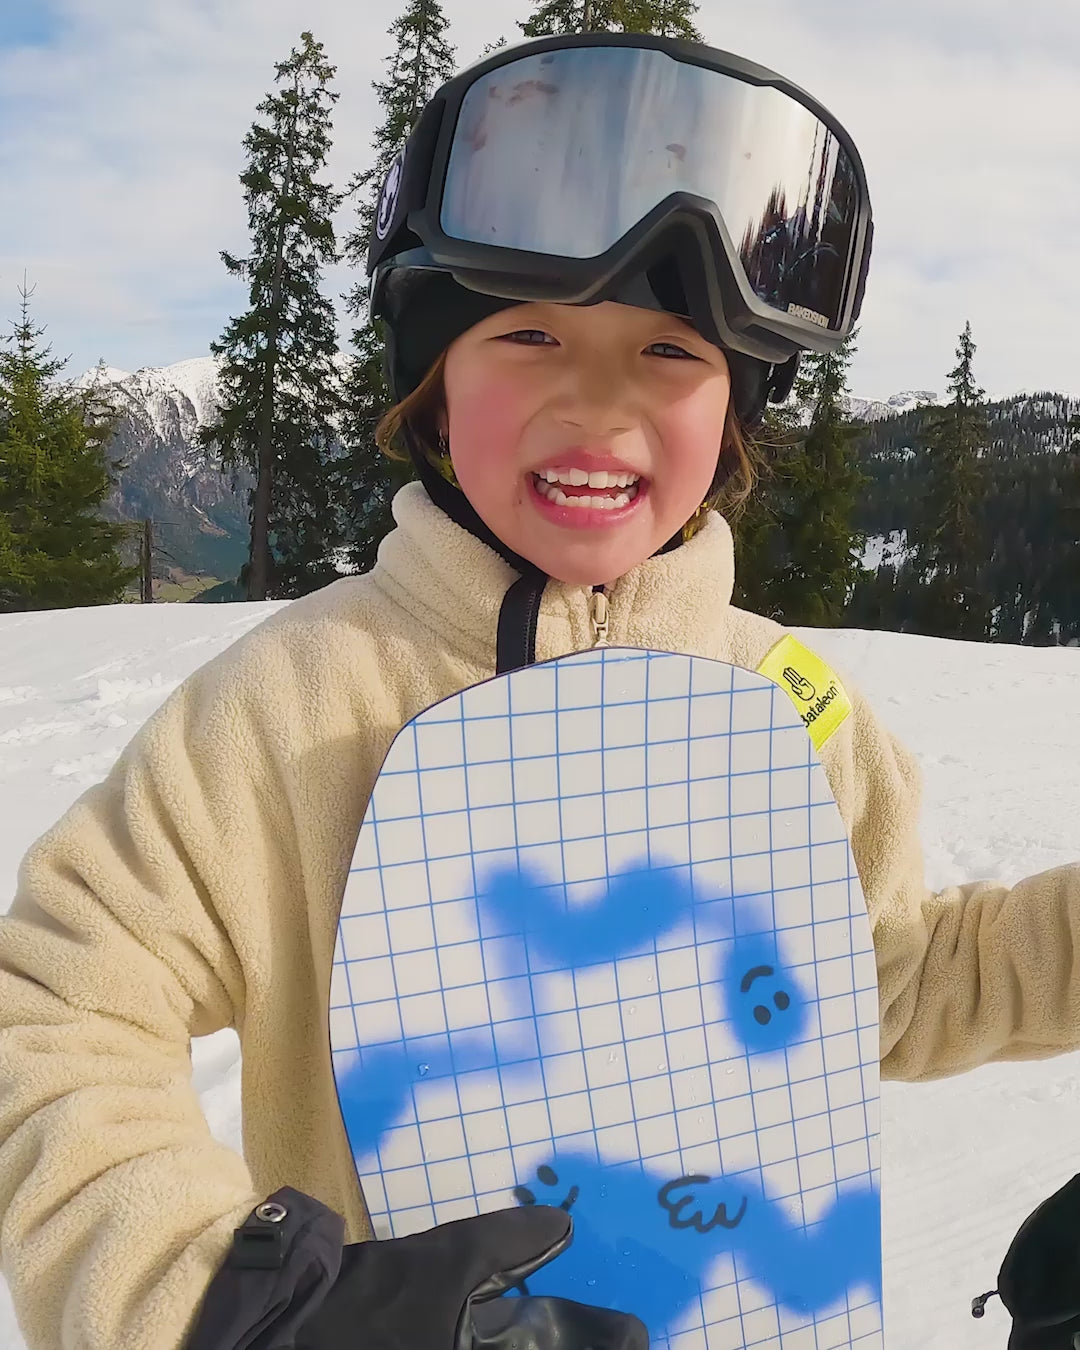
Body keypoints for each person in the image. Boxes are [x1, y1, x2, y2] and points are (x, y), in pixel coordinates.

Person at [0, 29, 1076, 1350]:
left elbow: (894, 981)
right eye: (529, 333)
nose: (598, 405)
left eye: (669, 350)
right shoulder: (291, 708)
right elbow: (58, 1003)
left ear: (738, 405)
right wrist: (216, 1302)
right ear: (431, 384)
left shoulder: (785, 703)